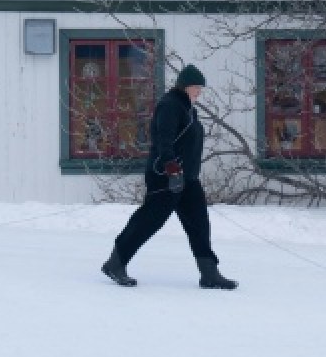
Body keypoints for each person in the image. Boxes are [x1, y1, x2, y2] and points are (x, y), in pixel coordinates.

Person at [101, 64, 238, 290]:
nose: (199, 92)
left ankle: (209, 273)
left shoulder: (188, 108)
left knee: (199, 224)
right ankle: (115, 263)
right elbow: (164, 141)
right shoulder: (170, 105)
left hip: (188, 179)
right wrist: (173, 171)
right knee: (148, 221)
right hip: (165, 176)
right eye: (197, 88)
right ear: (186, 86)